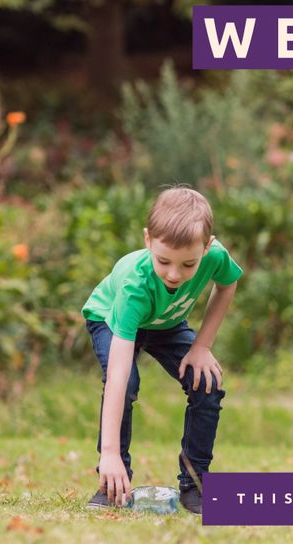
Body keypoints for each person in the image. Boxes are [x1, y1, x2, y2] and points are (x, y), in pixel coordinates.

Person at [82, 186, 242, 514]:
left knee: (207, 382)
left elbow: (227, 284)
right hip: (112, 320)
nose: (173, 274)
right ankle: (112, 483)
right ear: (148, 241)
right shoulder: (135, 286)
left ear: (207, 247)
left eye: (188, 265)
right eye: (164, 260)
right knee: (126, 384)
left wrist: (202, 346)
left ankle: (196, 487)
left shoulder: (215, 256)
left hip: (166, 323)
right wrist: (108, 453)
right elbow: (117, 375)